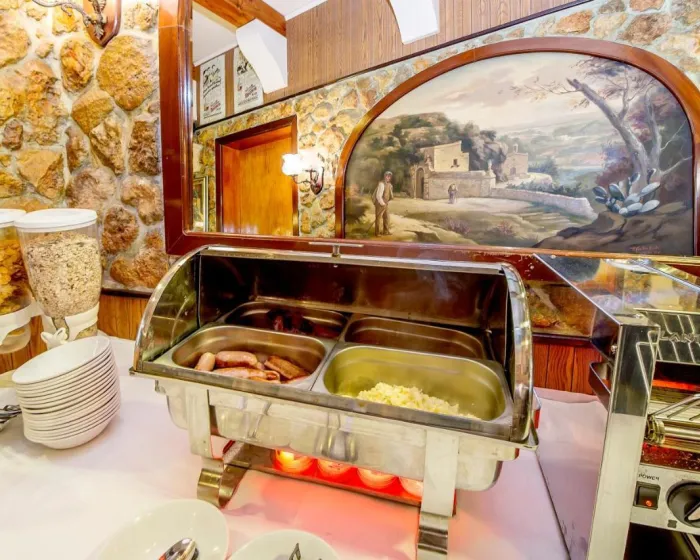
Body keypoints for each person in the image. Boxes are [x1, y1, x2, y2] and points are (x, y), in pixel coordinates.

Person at [373, 171, 394, 236]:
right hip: (379, 203)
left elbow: (389, 195)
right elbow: (378, 196)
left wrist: (386, 203)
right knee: (378, 218)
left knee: (386, 217)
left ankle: (386, 231)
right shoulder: (381, 184)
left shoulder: (389, 185)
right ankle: (377, 232)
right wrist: (382, 203)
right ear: (384, 176)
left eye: (389, 177)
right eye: (387, 176)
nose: (388, 178)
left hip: (385, 204)